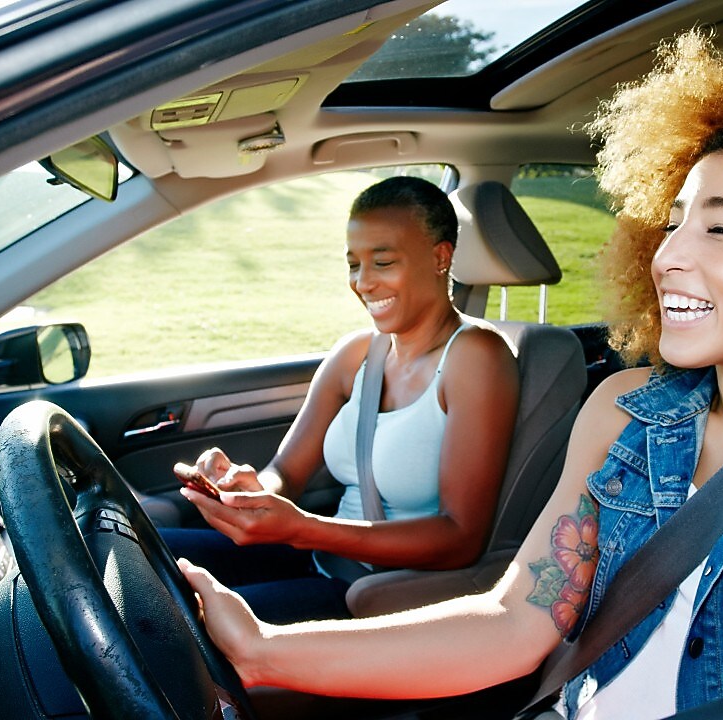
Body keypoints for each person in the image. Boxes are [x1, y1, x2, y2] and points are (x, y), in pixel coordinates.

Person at [179, 29, 723, 717]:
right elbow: (515, 622)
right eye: (674, 220)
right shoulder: (624, 409)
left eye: (721, 231)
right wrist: (265, 649)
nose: (670, 255)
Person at [166, 175, 520, 624]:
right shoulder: (355, 354)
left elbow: (460, 538)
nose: (363, 283)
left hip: (386, 596)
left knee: (177, 623)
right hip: (320, 560)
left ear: (440, 256)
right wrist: (249, 488)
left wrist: (302, 528)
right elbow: (286, 473)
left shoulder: (476, 357)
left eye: (384, 262)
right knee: (142, 551)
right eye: (354, 264)